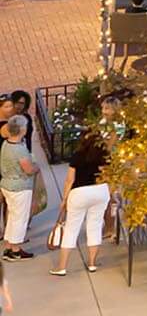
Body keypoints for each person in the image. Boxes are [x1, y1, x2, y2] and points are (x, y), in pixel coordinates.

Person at [50, 130, 108, 275]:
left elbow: (70, 180)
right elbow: (108, 176)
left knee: (71, 228)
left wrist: (64, 199)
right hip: (100, 191)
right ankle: (92, 264)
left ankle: (62, 266)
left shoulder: (77, 156)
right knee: (94, 227)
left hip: (80, 193)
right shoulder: (104, 156)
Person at [0, 115, 39, 261]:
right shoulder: (20, 150)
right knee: (19, 219)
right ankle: (15, 250)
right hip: (20, 188)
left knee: (12, 216)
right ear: (22, 129)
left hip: (7, 185)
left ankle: (9, 246)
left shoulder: (6, 144)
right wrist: (36, 167)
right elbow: (28, 169)